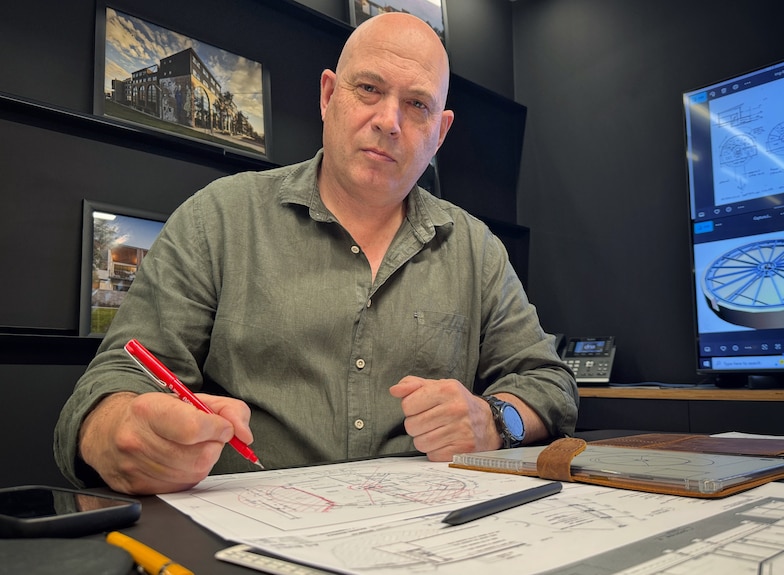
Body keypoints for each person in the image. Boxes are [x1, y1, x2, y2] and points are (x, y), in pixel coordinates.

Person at [54, 12, 579, 495]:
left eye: (417, 104)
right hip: (240, 539)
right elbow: (113, 384)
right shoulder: (219, 218)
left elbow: (549, 382)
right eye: (368, 89)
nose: (389, 120)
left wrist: (495, 419)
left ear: (439, 132)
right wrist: (115, 432)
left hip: (426, 535)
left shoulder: (477, 250)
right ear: (329, 96)